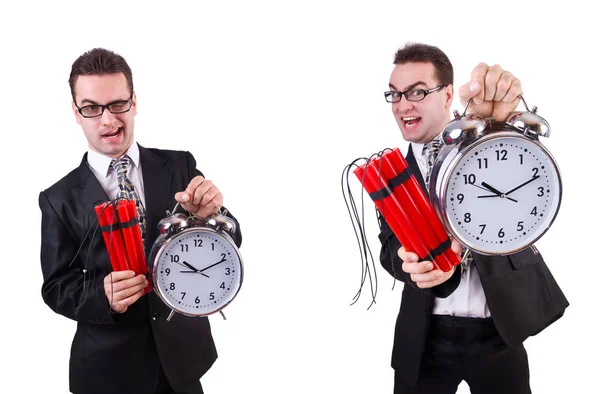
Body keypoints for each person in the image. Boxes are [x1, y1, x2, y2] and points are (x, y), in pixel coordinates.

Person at [39, 47, 242, 394]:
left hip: (181, 360)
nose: (108, 120)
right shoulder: (59, 198)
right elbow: (56, 287)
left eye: (118, 104)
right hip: (107, 370)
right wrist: (103, 296)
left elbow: (229, 243)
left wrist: (215, 216)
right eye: (92, 108)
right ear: (76, 112)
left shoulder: (179, 166)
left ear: (134, 102)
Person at [377, 43, 568, 394]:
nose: (403, 104)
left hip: (498, 335)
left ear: (448, 93)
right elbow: (389, 249)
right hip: (424, 340)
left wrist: (492, 120)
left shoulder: (485, 144)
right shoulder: (391, 173)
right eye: (394, 94)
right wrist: (410, 265)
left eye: (417, 91)